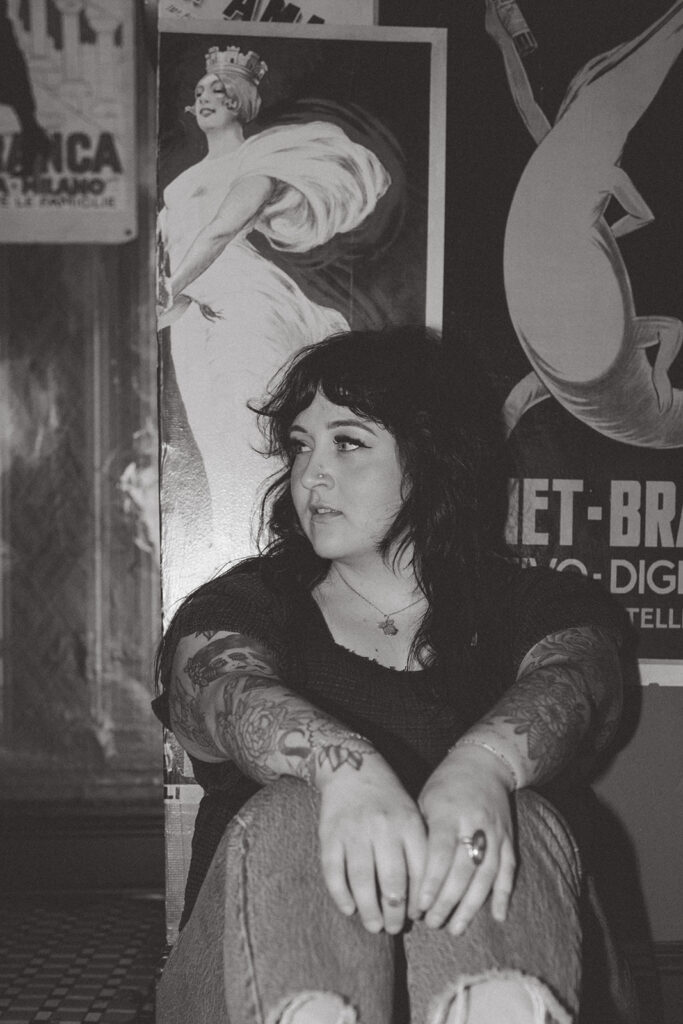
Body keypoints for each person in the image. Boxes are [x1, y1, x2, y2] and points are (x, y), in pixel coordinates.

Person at [153, 327, 636, 1024]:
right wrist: (342, 772)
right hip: (251, 979)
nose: (311, 474)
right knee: (299, 806)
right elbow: (219, 690)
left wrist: (483, 769)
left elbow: (580, 679)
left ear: (430, 456)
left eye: (347, 442)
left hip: (521, 961)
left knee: (514, 816)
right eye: (299, 445)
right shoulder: (248, 605)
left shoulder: (530, 605)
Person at [157, 45, 391, 600]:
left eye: (219, 90)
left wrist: (168, 289)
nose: (207, 99)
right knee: (219, 451)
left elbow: (216, 233)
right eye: (200, 93)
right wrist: (169, 303)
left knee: (257, 443)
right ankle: (241, 588)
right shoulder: (179, 182)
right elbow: (169, 254)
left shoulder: (260, 160)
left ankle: (292, 587)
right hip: (194, 316)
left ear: (240, 99)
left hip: (245, 304)